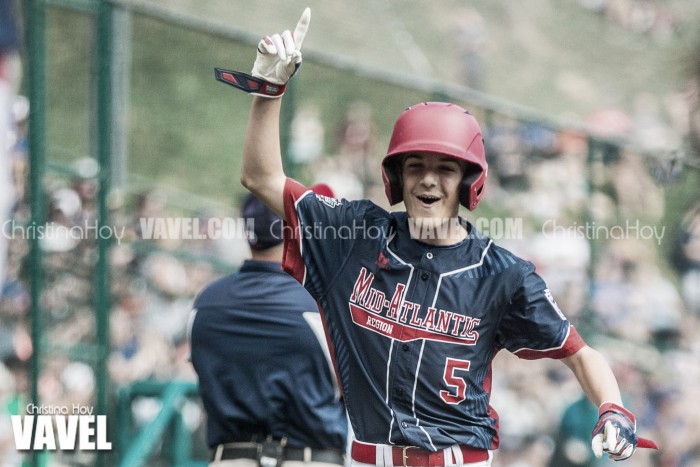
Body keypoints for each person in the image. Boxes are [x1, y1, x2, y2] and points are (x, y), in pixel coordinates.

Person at [221, 8, 658, 466]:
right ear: (396, 177)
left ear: (469, 182)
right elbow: (260, 176)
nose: (429, 180)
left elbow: (581, 354)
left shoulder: (502, 273)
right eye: (416, 166)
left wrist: (614, 409)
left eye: (445, 168)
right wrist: (269, 91)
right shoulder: (352, 237)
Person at [189, 191, 349, 467]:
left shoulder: (205, 303)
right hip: (310, 459)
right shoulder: (321, 301)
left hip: (230, 458)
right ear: (295, 230)